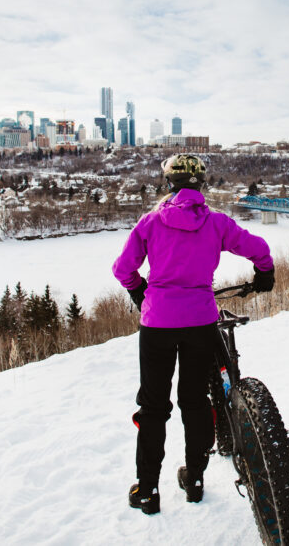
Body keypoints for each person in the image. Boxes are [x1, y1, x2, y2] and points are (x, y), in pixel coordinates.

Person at [113, 154, 275, 515]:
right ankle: (195, 479)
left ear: (169, 184)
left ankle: (147, 490)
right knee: (195, 401)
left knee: (153, 407)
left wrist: (139, 291)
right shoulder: (216, 223)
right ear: (201, 184)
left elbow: (123, 269)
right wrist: (264, 273)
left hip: (157, 324)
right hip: (200, 322)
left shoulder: (150, 222)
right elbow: (259, 249)